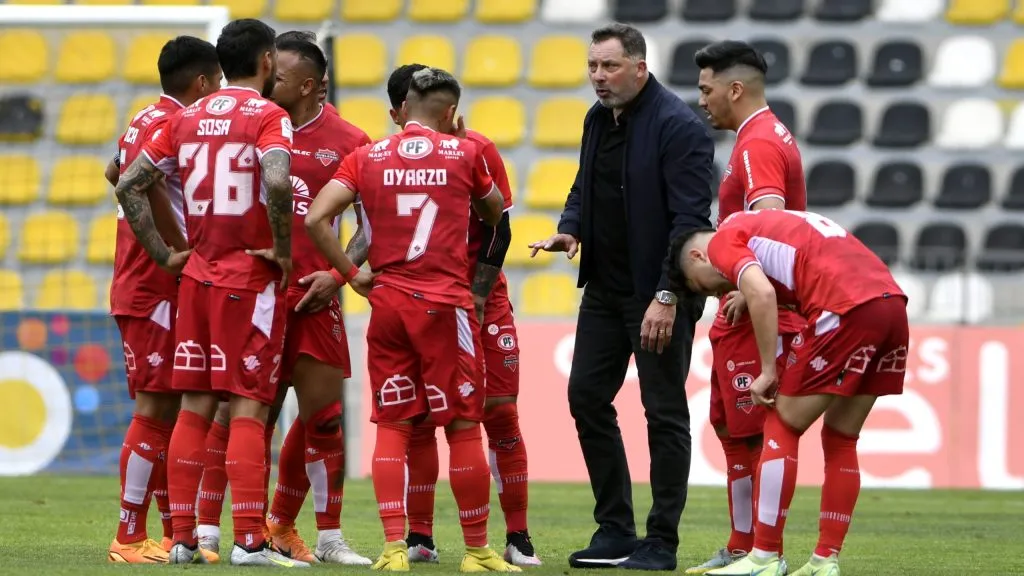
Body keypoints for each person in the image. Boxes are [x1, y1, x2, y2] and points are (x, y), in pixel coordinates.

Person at [305, 66, 518, 573]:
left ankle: (395, 548)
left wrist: (351, 272)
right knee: (464, 427)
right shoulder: (465, 152)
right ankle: (476, 551)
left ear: (404, 108)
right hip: (445, 305)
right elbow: (494, 214)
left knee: (394, 425)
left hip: (388, 304)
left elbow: (316, 218)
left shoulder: (366, 155)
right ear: (449, 113)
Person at [114, 18, 305, 568]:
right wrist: (283, 247)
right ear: (268, 62)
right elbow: (274, 181)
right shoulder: (270, 116)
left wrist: (162, 253)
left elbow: (128, 183)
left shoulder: (186, 116)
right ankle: (248, 538)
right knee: (248, 406)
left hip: (195, 280)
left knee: (193, 407)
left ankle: (179, 538)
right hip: (248, 280)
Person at [527, 23, 715, 571]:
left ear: (639, 66)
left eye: (609, 67)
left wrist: (667, 293)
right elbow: (585, 182)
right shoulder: (596, 118)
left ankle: (662, 541)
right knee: (586, 397)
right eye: (592, 66)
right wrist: (570, 226)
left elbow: (689, 222)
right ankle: (615, 529)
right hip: (605, 290)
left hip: (656, 293)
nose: (598, 78)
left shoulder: (679, 127)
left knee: (663, 412)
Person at [669, 209, 909, 576]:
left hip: (844, 307)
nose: (716, 292)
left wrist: (767, 370)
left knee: (781, 423)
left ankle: (763, 557)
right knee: (842, 437)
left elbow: (761, 292)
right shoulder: (763, 225)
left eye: (701, 285)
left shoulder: (722, 240)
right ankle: (824, 560)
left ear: (697, 257)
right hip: (891, 304)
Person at [684, 41, 807, 574]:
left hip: (760, 310)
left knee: (757, 431)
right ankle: (742, 546)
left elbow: (773, 222)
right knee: (734, 429)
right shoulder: (759, 137)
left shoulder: (757, 145)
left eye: (706, 89)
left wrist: (748, 283)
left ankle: (764, 552)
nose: (702, 100)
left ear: (735, 89)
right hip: (757, 305)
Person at [105, 35, 222, 565]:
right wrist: (181, 248)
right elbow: (137, 186)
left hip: (143, 278)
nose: (220, 91)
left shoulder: (142, 118)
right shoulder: (172, 125)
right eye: (217, 82)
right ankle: (128, 536)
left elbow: (114, 171)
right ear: (201, 83)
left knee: (171, 409)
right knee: (154, 408)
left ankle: (177, 532)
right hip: (151, 281)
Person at [257, 32, 372, 566]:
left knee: (322, 418)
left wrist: (337, 272)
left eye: (276, 75)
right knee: (250, 417)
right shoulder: (249, 127)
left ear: (307, 85)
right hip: (254, 296)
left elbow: (370, 226)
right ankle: (242, 532)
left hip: (316, 298)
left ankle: (324, 536)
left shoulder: (350, 140)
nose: (265, 81)